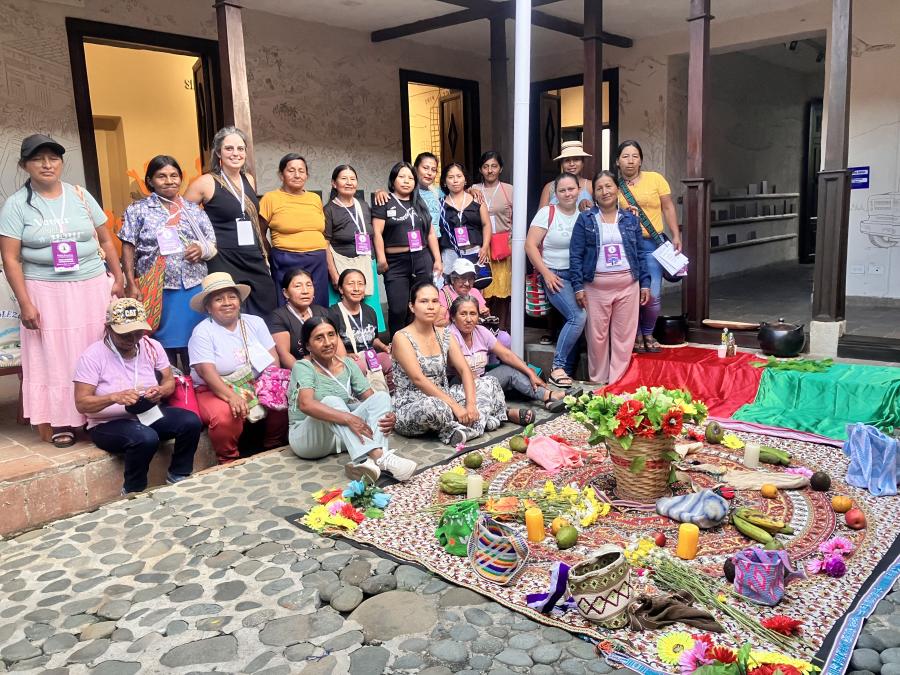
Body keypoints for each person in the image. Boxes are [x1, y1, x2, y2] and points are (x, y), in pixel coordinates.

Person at [0, 134, 124, 447]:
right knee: (54, 355)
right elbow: (11, 259)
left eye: (53, 158)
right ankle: (61, 420)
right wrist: (25, 303)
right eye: (38, 159)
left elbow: (106, 239)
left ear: (61, 162)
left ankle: (99, 413)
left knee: (95, 346)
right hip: (45, 291)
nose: (47, 164)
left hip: (92, 285)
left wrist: (119, 277)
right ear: (24, 165)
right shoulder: (16, 205)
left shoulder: (80, 195)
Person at [73, 298, 202, 494]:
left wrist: (161, 391)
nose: (132, 339)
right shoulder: (92, 356)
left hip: (147, 413)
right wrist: (113, 398)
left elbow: (169, 381)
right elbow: (82, 403)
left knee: (190, 421)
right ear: (108, 328)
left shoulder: (151, 346)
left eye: (138, 332)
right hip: (107, 423)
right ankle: (133, 490)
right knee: (145, 438)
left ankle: (179, 474)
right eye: (125, 334)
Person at [288, 316, 416, 481]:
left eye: (331, 335)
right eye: (319, 338)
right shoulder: (303, 366)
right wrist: (348, 418)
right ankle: (378, 456)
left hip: (343, 438)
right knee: (331, 401)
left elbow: (371, 401)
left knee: (381, 397)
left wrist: (388, 415)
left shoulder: (347, 364)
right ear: (307, 345)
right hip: (310, 440)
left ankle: (370, 463)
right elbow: (306, 404)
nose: (327, 342)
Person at [119, 155, 216, 369]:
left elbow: (211, 243)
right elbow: (128, 246)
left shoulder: (193, 210)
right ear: (150, 181)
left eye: (174, 175)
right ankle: (169, 385)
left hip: (193, 287)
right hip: (157, 288)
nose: (169, 181)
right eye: (161, 176)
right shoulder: (138, 209)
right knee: (162, 345)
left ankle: (195, 384)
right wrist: (131, 283)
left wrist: (201, 249)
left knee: (196, 342)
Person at [391, 281, 506, 446]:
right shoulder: (401, 337)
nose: (430, 307)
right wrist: (456, 407)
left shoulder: (445, 334)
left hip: (444, 395)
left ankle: (466, 429)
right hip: (413, 405)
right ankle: (479, 423)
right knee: (436, 407)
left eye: (434, 301)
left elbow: (464, 370)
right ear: (412, 306)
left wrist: (471, 405)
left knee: (488, 382)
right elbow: (418, 379)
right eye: (424, 301)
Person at [188, 272, 287, 463]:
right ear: (208, 307)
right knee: (225, 415)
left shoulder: (255, 322)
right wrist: (231, 396)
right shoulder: (202, 332)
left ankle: (274, 445)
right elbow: (207, 373)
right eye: (218, 299)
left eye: (232, 297)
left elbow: (273, 359)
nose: (227, 303)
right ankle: (228, 460)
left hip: (254, 382)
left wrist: (269, 384)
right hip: (214, 388)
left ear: (239, 301)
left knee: (282, 395)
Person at [183, 126, 277, 318]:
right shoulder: (205, 182)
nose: (236, 153)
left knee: (267, 307)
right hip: (223, 258)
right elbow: (181, 219)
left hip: (253, 255)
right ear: (218, 152)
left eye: (240, 149)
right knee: (229, 314)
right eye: (229, 148)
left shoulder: (248, 179)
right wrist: (199, 247)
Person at [569, 171, 651, 385]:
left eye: (609, 186)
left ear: (617, 189)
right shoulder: (585, 219)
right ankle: (598, 383)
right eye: (599, 188)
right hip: (595, 288)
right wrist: (578, 287)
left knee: (623, 337)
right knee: (597, 338)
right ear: (594, 193)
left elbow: (640, 253)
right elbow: (575, 254)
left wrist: (645, 283)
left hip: (628, 286)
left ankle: (617, 383)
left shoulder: (630, 218)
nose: (605, 191)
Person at [448, 295, 566, 421]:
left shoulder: (481, 331)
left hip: (484, 381)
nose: (468, 319)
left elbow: (506, 354)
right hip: (459, 385)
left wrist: (530, 373)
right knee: (480, 388)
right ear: (453, 317)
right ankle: (507, 413)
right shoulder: (450, 335)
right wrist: (484, 385)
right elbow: (460, 371)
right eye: (463, 314)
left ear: (478, 316)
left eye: (473, 314)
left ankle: (547, 396)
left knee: (510, 370)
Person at [615, 139, 683, 354]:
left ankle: (648, 332)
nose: (630, 161)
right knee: (630, 294)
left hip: (653, 244)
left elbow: (668, 207)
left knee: (652, 294)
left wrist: (676, 234)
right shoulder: (614, 186)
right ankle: (635, 334)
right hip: (626, 246)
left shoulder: (656, 179)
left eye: (635, 156)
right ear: (617, 161)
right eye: (625, 156)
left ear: (641, 160)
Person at [524, 172, 586, 389]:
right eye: (562, 190)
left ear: (579, 190)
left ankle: (568, 370)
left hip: (579, 276)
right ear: (556, 194)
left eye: (571, 189)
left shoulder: (584, 214)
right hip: (555, 275)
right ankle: (557, 367)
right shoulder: (547, 213)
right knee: (577, 317)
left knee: (578, 320)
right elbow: (530, 245)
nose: (568, 194)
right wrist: (547, 274)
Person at [372, 162, 442, 336]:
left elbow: (430, 233)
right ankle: (397, 343)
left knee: (422, 305)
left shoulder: (419, 202)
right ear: (393, 180)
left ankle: (420, 341)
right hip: (395, 262)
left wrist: (437, 260)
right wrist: (381, 258)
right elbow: (377, 233)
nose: (406, 181)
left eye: (410, 178)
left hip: (421, 258)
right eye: (401, 177)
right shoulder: (384, 201)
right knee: (398, 309)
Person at [259, 154, 329, 306]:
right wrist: (272, 256)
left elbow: (321, 231)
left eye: (301, 171)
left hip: (317, 261)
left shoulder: (315, 199)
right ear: (281, 174)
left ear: (306, 175)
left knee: (317, 305)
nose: (297, 175)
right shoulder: (270, 198)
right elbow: (260, 234)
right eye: (291, 170)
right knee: (289, 305)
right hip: (286, 260)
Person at [323, 164, 385, 330]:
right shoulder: (329, 210)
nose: (349, 182)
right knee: (343, 314)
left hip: (366, 264)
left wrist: (381, 191)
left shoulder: (363, 205)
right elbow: (325, 244)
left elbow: (375, 231)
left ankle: (372, 339)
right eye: (344, 178)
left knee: (369, 307)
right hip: (341, 266)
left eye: (352, 179)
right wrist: (334, 274)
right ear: (334, 183)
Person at [473, 151, 513, 331]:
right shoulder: (473, 189)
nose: (490, 170)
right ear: (480, 169)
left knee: (503, 292)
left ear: (501, 168)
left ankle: (502, 331)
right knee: (483, 291)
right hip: (482, 247)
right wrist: (470, 190)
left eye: (494, 166)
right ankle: (483, 331)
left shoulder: (510, 190)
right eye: (486, 166)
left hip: (504, 246)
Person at [435, 258, 511, 352]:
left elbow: (486, 315)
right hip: (455, 335)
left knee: (505, 338)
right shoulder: (443, 294)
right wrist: (457, 320)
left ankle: (490, 361)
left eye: (470, 279)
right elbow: (437, 322)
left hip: (477, 332)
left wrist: (485, 314)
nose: (467, 283)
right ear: (453, 279)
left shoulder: (474, 292)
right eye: (463, 278)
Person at [328, 268, 391, 378]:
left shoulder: (370, 311)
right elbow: (329, 345)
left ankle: (388, 388)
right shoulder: (332, 313)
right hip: (347, 360)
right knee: (359, 366)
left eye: (360, 284)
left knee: (390, 360)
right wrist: (346, 356)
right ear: (341, 289)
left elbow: (373, 339)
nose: (356, 288)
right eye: (351, 284)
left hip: (370, 357)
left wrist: (384, 347)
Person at [267, 267, 330, 369]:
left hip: (326, 367)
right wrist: (307, 373)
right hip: (298, 370)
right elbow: (284, 354)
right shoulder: (278, 317)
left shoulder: (322, 312)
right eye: (298, 286)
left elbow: (337, 346)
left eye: (309, 285)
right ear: (285, 293)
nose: (305, 291)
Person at [437, 162, 491, 273]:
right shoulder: (439, 204)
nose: (455, 180)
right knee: (450, 283)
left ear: (465, 179)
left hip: (475, 252)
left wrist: (485, 247)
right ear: (444, 182)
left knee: (477, 283)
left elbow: (486, 224)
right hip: (450, 254)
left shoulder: (477, 199)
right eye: (450, 177)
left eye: (459, 176)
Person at [537, 141, 595, 212]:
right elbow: (541, 215)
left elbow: (602, 213)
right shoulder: (550, 187)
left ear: (583, 163)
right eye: (567, 160)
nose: (572, 164)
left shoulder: (591, 186)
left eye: (576, 159)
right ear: (561, 164)